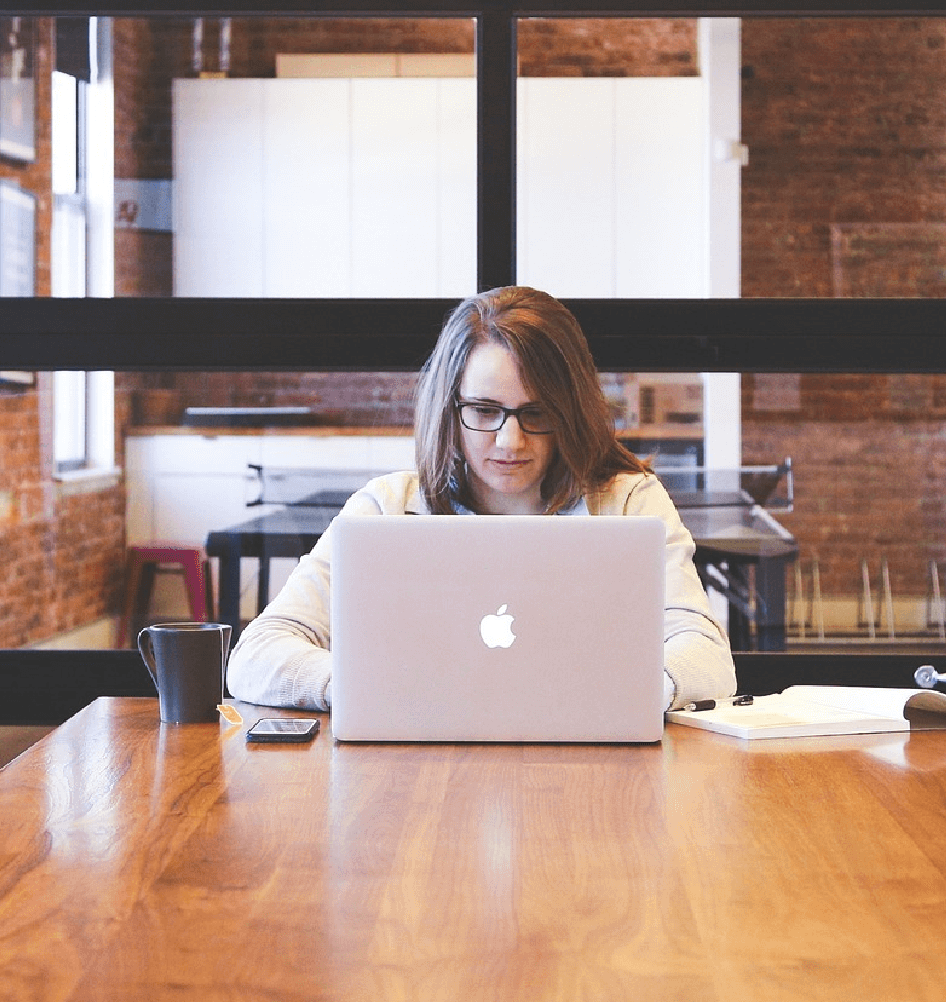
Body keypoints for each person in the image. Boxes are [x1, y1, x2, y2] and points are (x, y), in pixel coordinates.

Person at [227, 286, 736, 711]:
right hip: (415, 773)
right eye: (485, 410)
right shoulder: (387, 509)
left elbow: (707, 657)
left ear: (570, 411)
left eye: (536, 413)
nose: (510, 441)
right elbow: (257, 655)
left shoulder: (627, 502)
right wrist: (369, 687)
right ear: (449, 407)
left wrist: (621, 694)